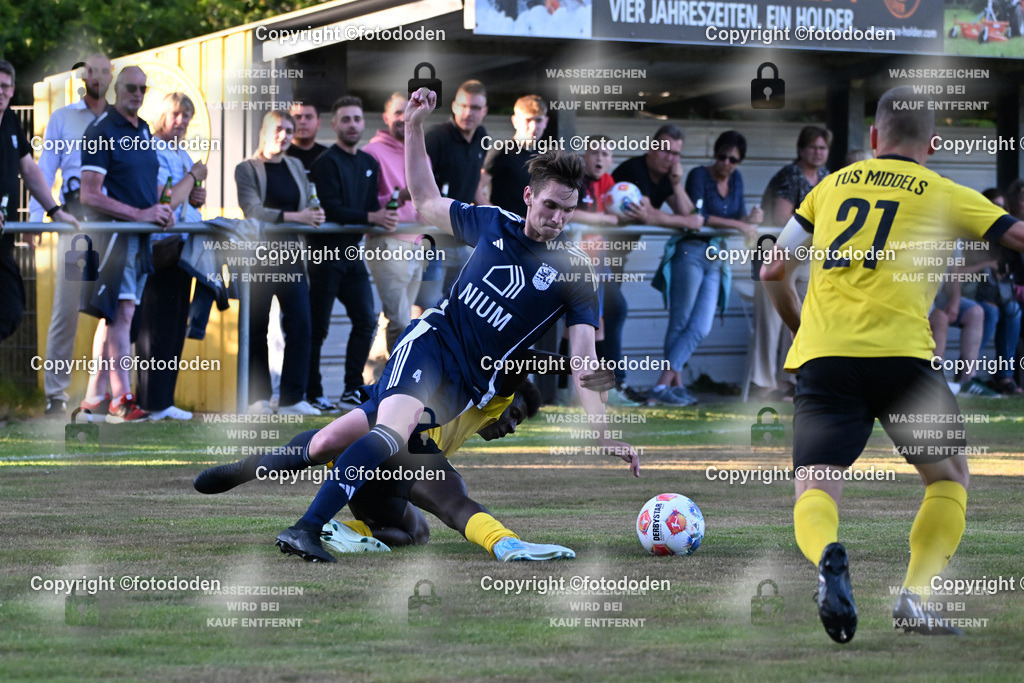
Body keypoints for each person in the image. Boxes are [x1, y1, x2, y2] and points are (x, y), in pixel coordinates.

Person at [266, 87, 639, 563]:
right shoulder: (492, 224)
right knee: (388, 437)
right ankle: (307, 527)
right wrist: (416, 127)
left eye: (568, 210)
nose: (558, 219)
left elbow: (584, 357)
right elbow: (424, 200)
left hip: (464, 384)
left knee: (341, 446)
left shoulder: (576, 272)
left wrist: (603, 432)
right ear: (529, 196)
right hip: (431, 343)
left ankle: (313, 515)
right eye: (550, 206)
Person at [761, 85, 1024, 643]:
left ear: (874, 138)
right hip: (905, 361)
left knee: (815, 484)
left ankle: (828, 556)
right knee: (949, 478)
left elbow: (771, 270)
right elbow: (1016, 235)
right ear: (932, 142)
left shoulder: (828, 187)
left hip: (827, 358)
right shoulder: (944, 190)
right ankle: (914, 596)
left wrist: (803, 329)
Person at [195, 362, 611, 560]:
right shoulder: (491, 396)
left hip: (373, 432)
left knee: (413, 531)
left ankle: (333, 524)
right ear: (504, 403)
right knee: (453, 499)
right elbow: (521, 364)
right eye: (515, 415)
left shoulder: (450, 367)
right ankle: (505, 543)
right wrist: (578, 366)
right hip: (403, 440)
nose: (513, 426)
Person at [80, 66, 172, 423]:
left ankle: (93, 399)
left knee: (114, 319)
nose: (138, 93)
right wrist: (140, 213)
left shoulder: (144, 127)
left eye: (143, 88)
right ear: (117, 89)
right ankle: (122, 398)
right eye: (131, 88)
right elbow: (89, 194)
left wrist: (162, 212)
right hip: (114, 239)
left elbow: (144, 188)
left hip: (139, 238)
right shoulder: (100, 130)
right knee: (122, 315)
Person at [29, 54, 112, 417]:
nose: (97, 76)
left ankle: (120, 396)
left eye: (104, 70)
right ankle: (56, 395)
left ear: (112, 76)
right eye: (91, 70)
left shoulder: (123, 120)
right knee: (67, 309)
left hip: (118, 220)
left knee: (121, 310)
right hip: (77, 219)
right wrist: (37, 221)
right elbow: (44, 169)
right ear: (83, 77)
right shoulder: (63, 118)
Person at [308, 96, 396, 411]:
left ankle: (350, 390)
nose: (352, 125)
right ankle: (312, 393)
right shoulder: (325, 162)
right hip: (323, 255)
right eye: (346, 119)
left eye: (357, 119)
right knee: (317, 326)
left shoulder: (368, 163)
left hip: (351, 253)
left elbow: (371, 206)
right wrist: (373, 217)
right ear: (334, 125)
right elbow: (331, 208)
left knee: (366, 319)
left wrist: (387, 212)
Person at [235, 110, 325, 416]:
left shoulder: (296, 165)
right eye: (278, 129)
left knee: (301, 325)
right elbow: (252, 210)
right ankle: (257, 399)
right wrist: (298, 218)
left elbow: (307, 204)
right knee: (256, 327)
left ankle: (291, 399)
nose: (284, 135)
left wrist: (314, 214)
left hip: (291, 256)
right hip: (258, 258)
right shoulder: (246, 168)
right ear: (264, 131)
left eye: (289, 130)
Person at [611, 125, 706, 405]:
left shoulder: (666, 178)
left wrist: (677, 184)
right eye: (665, 151)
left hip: (617, 255)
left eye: (676, 154)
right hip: (594, 250)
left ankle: (587, 387)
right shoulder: (635, 169)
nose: (670, 158)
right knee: (611, 312)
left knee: (600, 317)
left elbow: (691, 216)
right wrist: (685, 222)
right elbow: (648, 214)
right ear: (652, 148)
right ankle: (614, 384)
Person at [133, 92, 207, 421]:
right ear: (163, 114)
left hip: (184, 247)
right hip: (160, 247)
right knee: (156, 327)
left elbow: (184, 201)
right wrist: (192, 177)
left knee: (177, 324)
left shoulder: (181, 152)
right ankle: (150, 402)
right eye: (176, 114)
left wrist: (196, 197)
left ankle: (165, 400)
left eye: (187, 116)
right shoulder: (153, 149)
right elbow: (165, 202)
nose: (182, 121)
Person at [0, 59, 81, 342]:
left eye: (5, 87)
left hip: (2, 240)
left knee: (9, 310)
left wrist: (54, 211)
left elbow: (30, 170)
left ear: (12, 91)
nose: (0, 92)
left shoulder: (9, 119)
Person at [751, 126, 831, 399]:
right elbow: (785, 220)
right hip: (776, 256)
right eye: (813, 147)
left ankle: (789, 381)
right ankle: (763, 384)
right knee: (770, 322)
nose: (818, 153)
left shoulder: (828, 178)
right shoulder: (788, 176)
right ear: (800, 149)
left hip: (809, 258)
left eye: (822, 148)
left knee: (799, 319)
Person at [363, 92, 429, 353]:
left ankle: (375, 377)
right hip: (387, 243)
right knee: (401, 321)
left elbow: (427, 199)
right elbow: (365, 205)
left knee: (399, 320)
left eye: (408, 111)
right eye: (398, 112)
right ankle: (395, 387)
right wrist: (397, 197)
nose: (403, 118)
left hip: (418, 243)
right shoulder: (371, 152)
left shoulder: (421, 151)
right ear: (386, 117)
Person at [421, 80, 489, 306]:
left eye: (476, 107)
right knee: (425, 307)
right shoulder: (435, 137)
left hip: (464, 242)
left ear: (485, 111)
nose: (469, 112)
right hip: (433, 242)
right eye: (464, 106)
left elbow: (475, 181)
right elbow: (416, 184)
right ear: (454, 106)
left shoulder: (481, 136)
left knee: (455, 308)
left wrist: (488, 213)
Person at [478, 94, 548, 216]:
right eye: (528, 120)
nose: (533, 126)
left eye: (538, 120)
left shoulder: (543, 156)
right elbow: (476, 191)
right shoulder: (501, 151)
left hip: (530, 230)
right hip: (503, 231)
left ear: (546, 122)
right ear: (515, 121)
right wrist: (499, 218)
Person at [286, 102, 327, 173]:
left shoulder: (328, 156)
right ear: (289, 122)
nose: (303, 122)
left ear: (318, 123)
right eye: (297, 117)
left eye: (308, 117)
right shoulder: (280, 156)